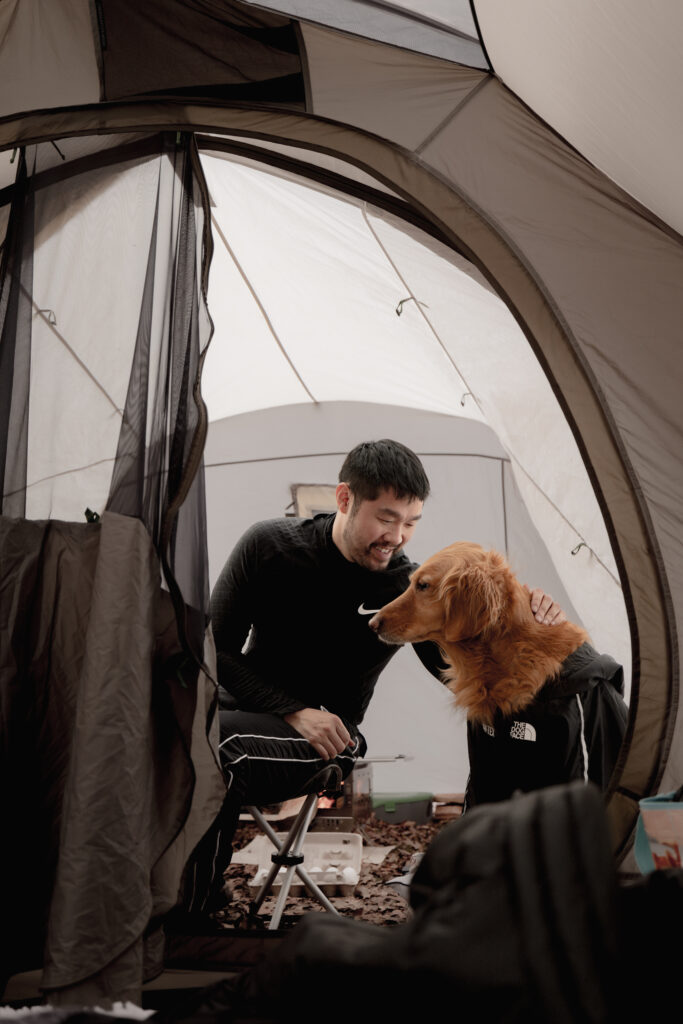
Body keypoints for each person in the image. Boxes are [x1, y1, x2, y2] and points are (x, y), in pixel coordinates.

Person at [181, 439, 564, 918]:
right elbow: (213, 653)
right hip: (259, 712)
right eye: (386, 518)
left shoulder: (404, 587)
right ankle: (151, 890)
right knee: (173, 730)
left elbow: (471, 670)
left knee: (215, 746)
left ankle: (188, 916)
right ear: (345, 500)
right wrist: (295, 711)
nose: (398, 536)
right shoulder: (269, 545)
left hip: (333, 740)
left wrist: (532, 615)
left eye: (411, 522)